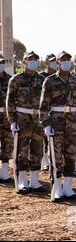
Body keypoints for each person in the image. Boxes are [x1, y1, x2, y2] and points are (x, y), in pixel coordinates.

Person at [40, 51, 76, 201]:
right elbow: (44, 105)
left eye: (68, 59)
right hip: (56, 123)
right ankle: (57, 187)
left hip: (72, 123)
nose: (66, 62)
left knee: (71, 155)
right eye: (62, 60)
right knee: (56, 156)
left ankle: (68, 187)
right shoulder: (50, 81)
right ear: (57, 63)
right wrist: (45, 123)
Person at [7, 51, 46, 194]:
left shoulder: (42, 79)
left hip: (38, 120)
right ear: (24, 62)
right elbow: (9, 102)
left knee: (37, 150)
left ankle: (34, 181)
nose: (33, 62)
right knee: (21, 152)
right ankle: (22, 181)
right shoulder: (16, 80)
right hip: (22, 119)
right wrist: (12, 121)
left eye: (35, 59)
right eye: (30, 60)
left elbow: (46, 102)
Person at [39, 53, 58, 171]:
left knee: (53, 137)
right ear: (46, 63)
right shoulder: (41, 76)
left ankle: (51, 159)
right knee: (43, 137)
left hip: (55, 111)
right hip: (44, 111)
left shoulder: (57, 76)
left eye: (55, 61)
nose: (54, 63)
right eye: (51, 61)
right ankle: (44, 159)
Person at [0, 55, 12, 183]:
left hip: (6, 116)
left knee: (7, 144)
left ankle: (5, 171)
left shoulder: (10, 79)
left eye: (2, 62)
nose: (1, 65)